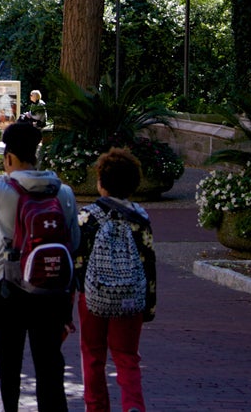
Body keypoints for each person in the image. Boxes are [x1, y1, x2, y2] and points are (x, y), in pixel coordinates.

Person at [0, 121, 79, 412]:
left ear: (8, 157)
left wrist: (5, 175)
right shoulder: (64, 193)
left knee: (8, 361)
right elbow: (74, 241)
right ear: (37, 152)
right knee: (50, 365)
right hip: (52, 289)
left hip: (10, 286)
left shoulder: (3, 190)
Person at [75, 147, 156, 412]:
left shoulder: (87, 217)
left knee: (93, 354)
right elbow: (148, 262)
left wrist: (76, 291)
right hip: (130, 296)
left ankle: (95, 406)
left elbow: (78, 260)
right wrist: (148, 305)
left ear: (101, 183)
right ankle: (133, 404)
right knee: (127, 356)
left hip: (93, 296)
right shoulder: (141, 220)